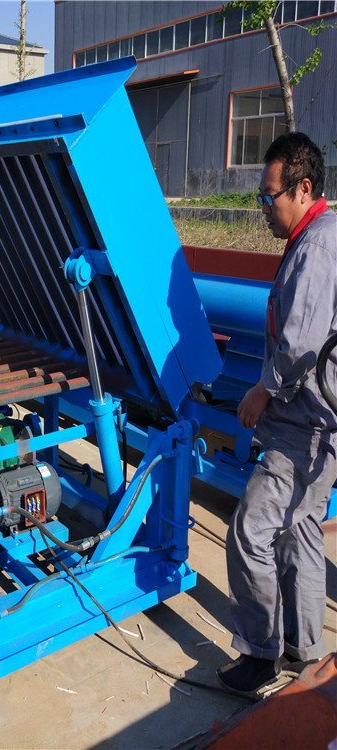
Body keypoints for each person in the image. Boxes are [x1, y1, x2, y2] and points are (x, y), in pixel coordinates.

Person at [217, 131, 337, 697]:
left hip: (303, 426)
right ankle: (303, 650)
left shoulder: (317, 248)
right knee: (301, 533)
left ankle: (260, 653)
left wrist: (260, 391)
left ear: (303, 188)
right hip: (319, 424)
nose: (264, 207)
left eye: (270, 197)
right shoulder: (316, 237)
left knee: (250, 532)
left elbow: (300, 346)